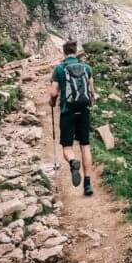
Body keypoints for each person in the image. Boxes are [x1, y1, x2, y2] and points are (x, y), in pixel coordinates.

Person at [48, 40, 96, 196]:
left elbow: (54, 93)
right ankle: (88, 184)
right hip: (83, 111)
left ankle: (72, 162)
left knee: (67, 147)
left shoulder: (59, 69)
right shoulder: (87, 68)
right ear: (76, 51)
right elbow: (92, 94)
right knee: (85, 146)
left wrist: (52, 102)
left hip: (67, 112)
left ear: (64, 52)